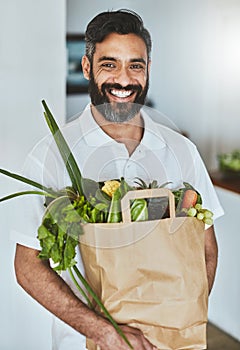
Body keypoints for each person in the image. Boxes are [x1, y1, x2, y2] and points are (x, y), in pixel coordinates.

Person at [13, 9, 223, 350]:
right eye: (109, 64)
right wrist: (103, 332)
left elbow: (207, 249)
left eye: (135, 65)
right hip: (83, 343)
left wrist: (181, 314)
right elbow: (27, 267)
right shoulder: (50, 155)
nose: (123, 79)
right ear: (86, 68)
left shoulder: (182, 151)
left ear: (148, 70)